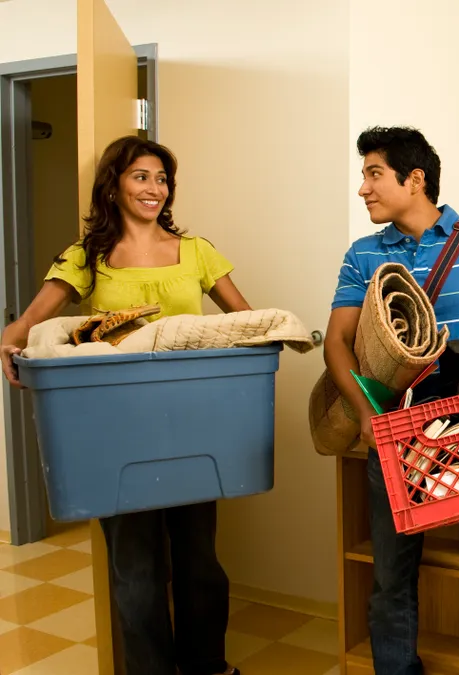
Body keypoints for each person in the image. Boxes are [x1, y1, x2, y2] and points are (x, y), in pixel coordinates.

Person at [1, 136, 250, 675]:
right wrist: (14, 335)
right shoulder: (87, 255)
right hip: (117, 432)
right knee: (136, 569)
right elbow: (33, 319)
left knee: (198, 560)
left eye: (161, 179)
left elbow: (244, 322)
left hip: (192, 426)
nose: (154, 189)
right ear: (114, 184)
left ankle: (209, 666)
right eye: (141, 176)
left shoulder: (198, 251)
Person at [324, 126, 459, 674]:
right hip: (395, 435)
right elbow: (336, 343)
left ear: (414, 178)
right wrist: (371, 420)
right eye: (364, 175)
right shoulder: (362, 254)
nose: (363, 189)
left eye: (373, 173)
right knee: (391, 585)